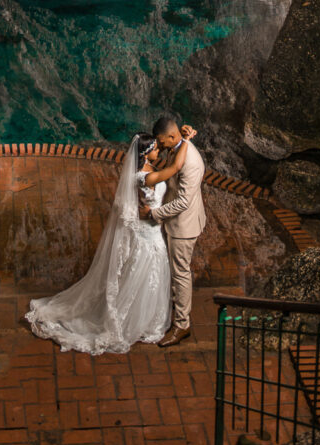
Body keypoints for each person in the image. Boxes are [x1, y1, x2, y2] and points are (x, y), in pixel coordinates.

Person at [24, 125, 196, 354]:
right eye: (155, 149)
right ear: (146, 155)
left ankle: (143, 318)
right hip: (149, 234)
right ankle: (137, 320)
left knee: (145, 275)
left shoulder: (149, 168)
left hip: (150, 230)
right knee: (147, 274)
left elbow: (166, 164)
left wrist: (180, 141)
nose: (159, 151)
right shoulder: (147, 177)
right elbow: (174, 167)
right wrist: (186, 140)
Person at [139, 113, 206, 347]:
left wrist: (154, 214)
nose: (159, 145)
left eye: (161, 141)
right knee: (175, 272)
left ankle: (181, 325)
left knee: (181, 274)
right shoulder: (176, 146)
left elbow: (183, 203)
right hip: (174, 220)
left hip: (183, 226)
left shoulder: (191, 162)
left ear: (171, 135)